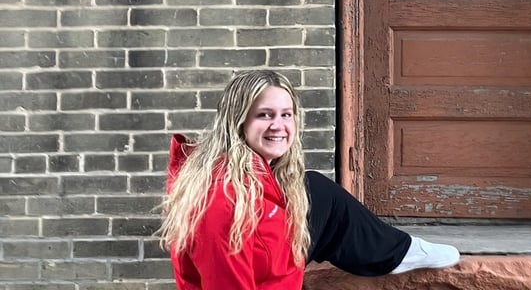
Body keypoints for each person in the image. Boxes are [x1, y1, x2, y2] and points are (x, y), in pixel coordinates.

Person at [159, 69, 460, 289]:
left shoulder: (260, 174)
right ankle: (395, 252)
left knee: (314, 188)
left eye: (286, 114)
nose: (279, 126)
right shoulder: (222, 200)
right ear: (237, 122)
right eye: (265, 115)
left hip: (276, 263)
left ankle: (399, 251)